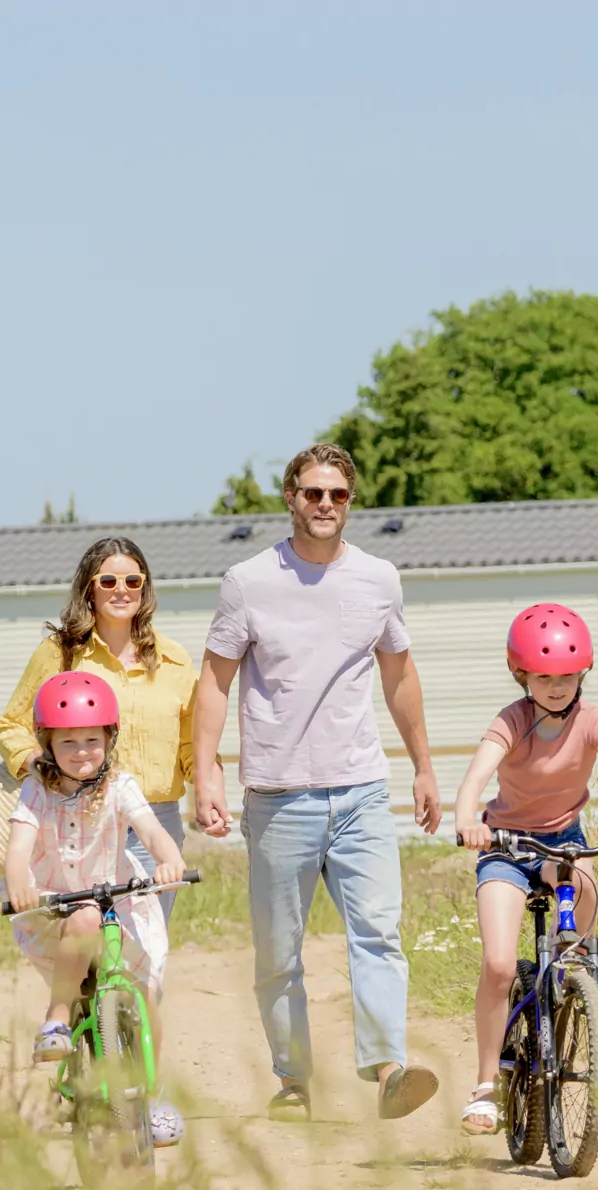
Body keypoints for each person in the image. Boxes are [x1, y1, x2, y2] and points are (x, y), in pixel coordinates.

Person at [191, 442, 443, 1120]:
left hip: (360, 788)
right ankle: (293, 1080)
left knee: (379, 933)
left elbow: (399, 674)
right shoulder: (249, 581)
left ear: (350, 501)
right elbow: (214, 682)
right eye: (312, 493)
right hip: (278, 795)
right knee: (279, 954)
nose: (325, 505)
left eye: (337, 494)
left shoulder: (379, 579)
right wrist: (205, 772)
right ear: (291, 498)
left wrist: (421, 764)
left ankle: (389, 1066)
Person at [451, 604, 598, 1137]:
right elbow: (475, 778)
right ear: (521, 674)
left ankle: (580, 970)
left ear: (582, 674)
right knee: (501, 965)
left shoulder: (593, 721)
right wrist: (466, 821)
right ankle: (485, 1087)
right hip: (504, 846)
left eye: (568, 676)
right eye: (545, 677)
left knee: (587, 878)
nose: (556, 686)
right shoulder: (512, 721)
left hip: (561, 845)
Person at [3, 672, 187, 1114]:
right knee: (83, 917)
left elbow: (150, 830)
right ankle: (58, 1017)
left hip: (119, 902)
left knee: (144, 996)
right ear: (47, 745)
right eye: (67, 743)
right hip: (54, 906)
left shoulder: (120, 786)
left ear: (110, 738)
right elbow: (17, 849)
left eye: (91, 739)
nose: (82, 752)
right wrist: (20, 887)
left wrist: (168, 860)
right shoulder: (36, 791)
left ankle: (153, 1094)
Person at [0, 536, 198, 918]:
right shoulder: (60, 653)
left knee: (144, 946)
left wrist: (207, 790)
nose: (121, 590)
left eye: (132, 581)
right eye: (108, 581)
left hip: (156, 819)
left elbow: (191, 741)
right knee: (87, 938)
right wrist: (42, 767)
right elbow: (11, 725)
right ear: (89, 589)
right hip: (81, 819)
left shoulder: (174, 659)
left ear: (145, 587)